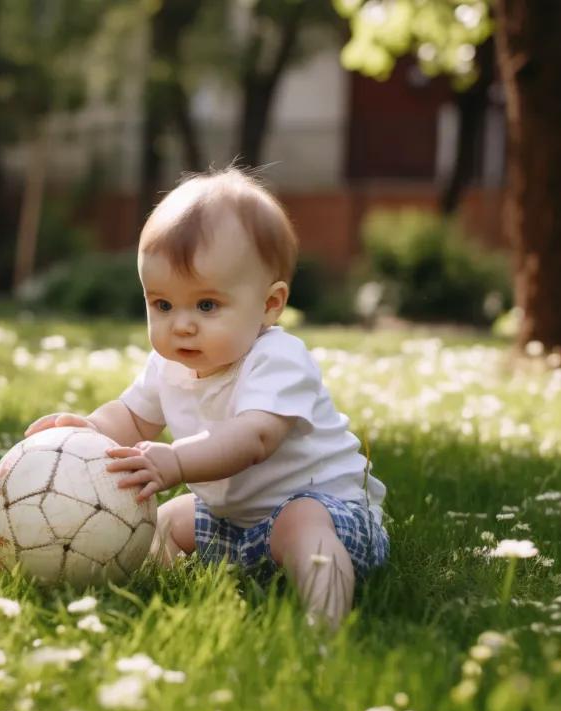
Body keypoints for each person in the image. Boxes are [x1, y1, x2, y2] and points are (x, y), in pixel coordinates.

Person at [25, 167, 389, 629]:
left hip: (330, 518)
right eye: (162, 305)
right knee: (157, 522)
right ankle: (171, 602)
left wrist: (175, 462)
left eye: (207, 305)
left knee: (301, 521)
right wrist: (89, 430)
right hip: (231, 525)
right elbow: (132, 418)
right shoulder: (169, 364)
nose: (182, 325)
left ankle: (325, 624)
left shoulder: (277, 359)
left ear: (270, 305)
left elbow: (254, 438)